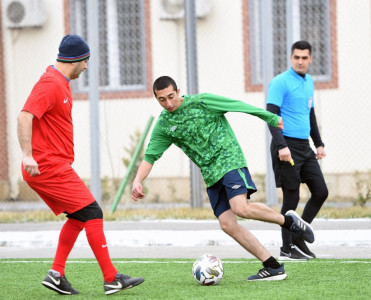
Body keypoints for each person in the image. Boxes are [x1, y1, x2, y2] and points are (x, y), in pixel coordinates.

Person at [131, 75, 315, 281]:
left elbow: (237, 105)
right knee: (227, 224)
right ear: (157, 99)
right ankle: (272, 266)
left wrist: (270, 118)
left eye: (171, 96)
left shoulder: (202, 102)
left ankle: (289, 222)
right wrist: (138, 180)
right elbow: (150, 156)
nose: (169, 103)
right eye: (162, 100)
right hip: (210, 173)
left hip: (228, 159)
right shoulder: (165, 124)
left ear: (178, 90)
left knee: (240, 208)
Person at [17, 34, 144, 295]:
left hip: (54, 165)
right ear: (75, 60)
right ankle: (111, 278)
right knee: (93, 212)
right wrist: (27, 155)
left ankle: (56, 274)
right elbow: (24, 116)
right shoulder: (51, 83)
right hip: (47, 167)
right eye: (85, 61)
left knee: (78, 216)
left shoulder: (61, 82)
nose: (86, 67)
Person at [266, 40, 328, 260]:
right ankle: (286, 248)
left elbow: (309, 114)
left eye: (304, 57)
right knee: (291, 199)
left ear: (310, 59)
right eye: (296, 57)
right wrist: (282, 146)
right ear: (291, 58)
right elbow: (271, 117)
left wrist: (318, 143)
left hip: (305, 147)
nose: (300, 61)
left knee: (321, 191)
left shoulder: (309, 81)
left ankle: (299, 233)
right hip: (287, 146)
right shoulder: (280, 82)